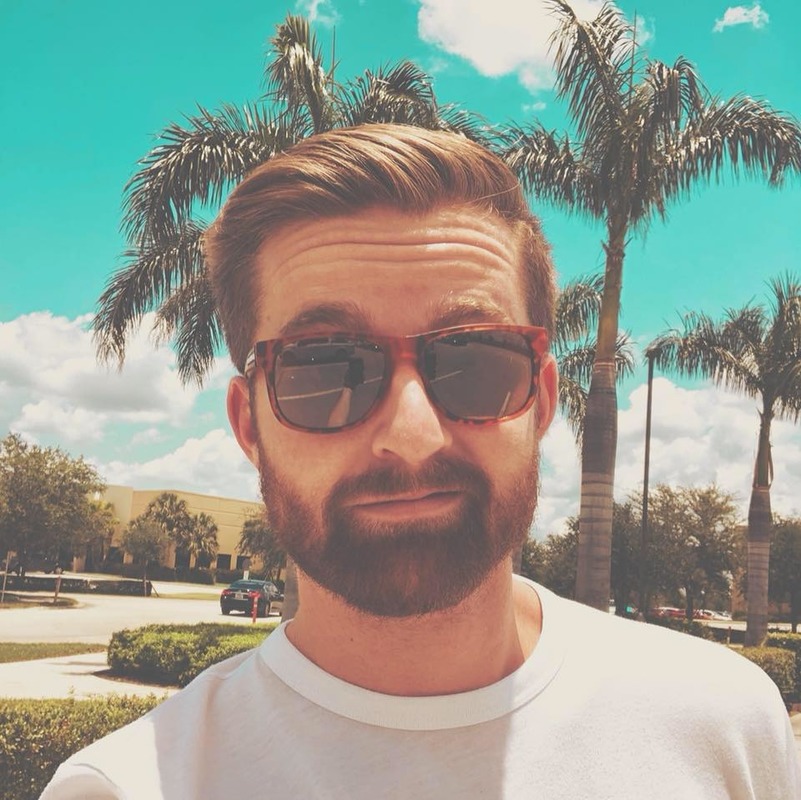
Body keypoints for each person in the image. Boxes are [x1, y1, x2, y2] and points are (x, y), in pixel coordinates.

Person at [41, 124, 799, 799]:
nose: (411, 434)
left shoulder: (723, 721)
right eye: (324, 368)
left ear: (540, 400)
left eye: (474, 361)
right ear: (249, 424)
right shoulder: (125, 789)